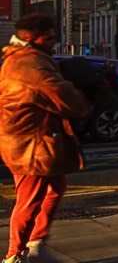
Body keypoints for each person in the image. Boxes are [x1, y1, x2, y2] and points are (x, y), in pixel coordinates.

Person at [1, 14, 91, 263]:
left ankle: (36, 245)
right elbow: (63, 95)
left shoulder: (28, 58)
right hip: (29, 145)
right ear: (31, 38)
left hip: (33, 140)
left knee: (54, 188)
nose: (54, 41)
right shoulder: (30, 65)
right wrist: (83, 99)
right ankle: (14, 255)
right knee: (29, 200)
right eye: (48, 37)